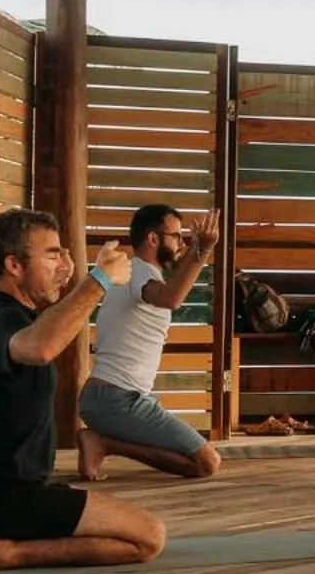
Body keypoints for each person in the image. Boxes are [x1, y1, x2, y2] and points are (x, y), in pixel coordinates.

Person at [0, 209, 167, 574]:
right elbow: (40, 346)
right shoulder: (1, 318)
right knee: (148, 537)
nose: (63, 264)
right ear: (14, 265)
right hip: (0, 500)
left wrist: (73, 281)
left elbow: (47, 328)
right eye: (53, 254)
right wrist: (99, 279)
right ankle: (3, 553)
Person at [77, 202, 224, 480]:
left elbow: (177, 275)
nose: (182, 243)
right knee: (207, 462)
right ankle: (103, 443)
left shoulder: (138, 272)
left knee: (197, 458)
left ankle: (102, 441)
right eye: (177, 236)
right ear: (153, 238)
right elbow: (172, 299)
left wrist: (199, 248)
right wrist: (202, 249)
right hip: (118, 400)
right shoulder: (141, 272)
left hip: (107, 399)